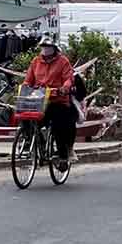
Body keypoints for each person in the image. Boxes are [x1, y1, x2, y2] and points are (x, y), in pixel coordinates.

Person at [23, 36, 77, 172]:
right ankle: (32, 142)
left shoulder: (63, 62)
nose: (45, 50)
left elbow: (68, 79)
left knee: (59, 126)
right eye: (43, 47)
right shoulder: (35, 62)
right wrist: (25, 88)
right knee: (25, 117)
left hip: (57, 100)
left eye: (48, 47)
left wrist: (64, 88)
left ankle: (63, 156)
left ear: (54, 48)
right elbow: (28, 80)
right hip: (39, 99)